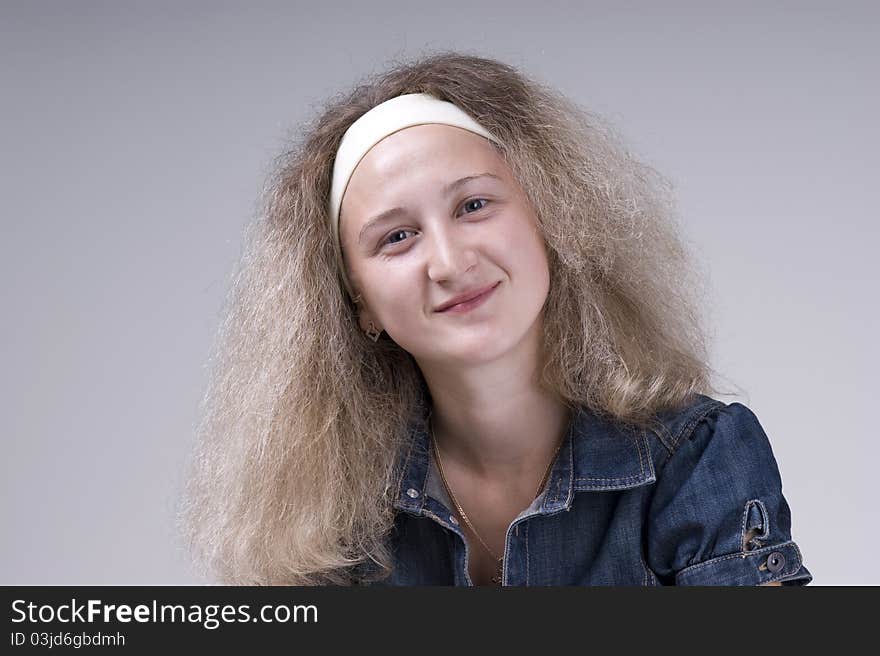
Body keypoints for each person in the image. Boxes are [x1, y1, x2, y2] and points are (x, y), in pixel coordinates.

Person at [178, 51, 812, 586]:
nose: (449, 263)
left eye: (474, 204)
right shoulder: (328, 519)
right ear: (357, 301)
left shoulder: (695, 458)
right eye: (397, 238)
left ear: (549, 219)